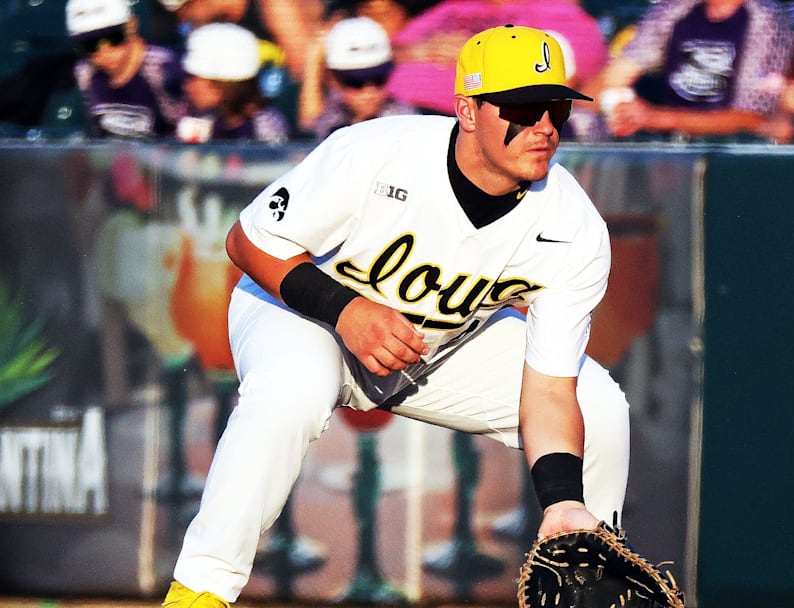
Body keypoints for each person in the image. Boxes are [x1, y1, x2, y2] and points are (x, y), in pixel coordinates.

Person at [161, 24, 630, 607]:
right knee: (289, 392)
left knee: (598, 400)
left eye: (556, 108)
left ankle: (590, 579)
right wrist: (347, 310)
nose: (543, 127)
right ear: (467, 109)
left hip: (430, 346)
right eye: (522, 107)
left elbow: (551, 389)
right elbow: (248, 242)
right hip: (302, 313)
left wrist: (559, 495)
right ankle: (199, 594)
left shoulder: (572, 226)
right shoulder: (376, 153)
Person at [581, 0, 794, 140]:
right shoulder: (674, 10)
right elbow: (612, 79)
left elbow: (753, 118)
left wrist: (655, 118)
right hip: (672, 151)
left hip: (735, 149)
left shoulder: (766, 18)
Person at [384, 0, 609, 117]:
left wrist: (483, 52)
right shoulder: (450, 8)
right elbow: (385, 51)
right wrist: (419, 50)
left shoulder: (556, 11)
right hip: (395, 108)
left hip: (481, 120)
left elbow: (576, 78)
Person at [65, 0, 188, 138]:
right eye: (90, 44)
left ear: (132, 25)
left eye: (114, 38)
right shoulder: (85, 72)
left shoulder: (164, 67)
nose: (104, 52)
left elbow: (185, 132)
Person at [297, 16, 416, 139]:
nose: (369, 92)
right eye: (356, 82)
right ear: (335, 80)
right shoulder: (334, 117)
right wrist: (313, 63)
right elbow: (310, 133)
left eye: (379, 79)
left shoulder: (403, 122)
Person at [176, 22, 291, 142]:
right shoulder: (208, 121)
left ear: (220, 84)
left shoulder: (264, 127)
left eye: (192, 77)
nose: (186, 86)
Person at [157, 0, 321, 82]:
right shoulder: (219, 19)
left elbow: (304, 68)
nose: (184, 22)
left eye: (183, 14)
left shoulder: (274, 6)